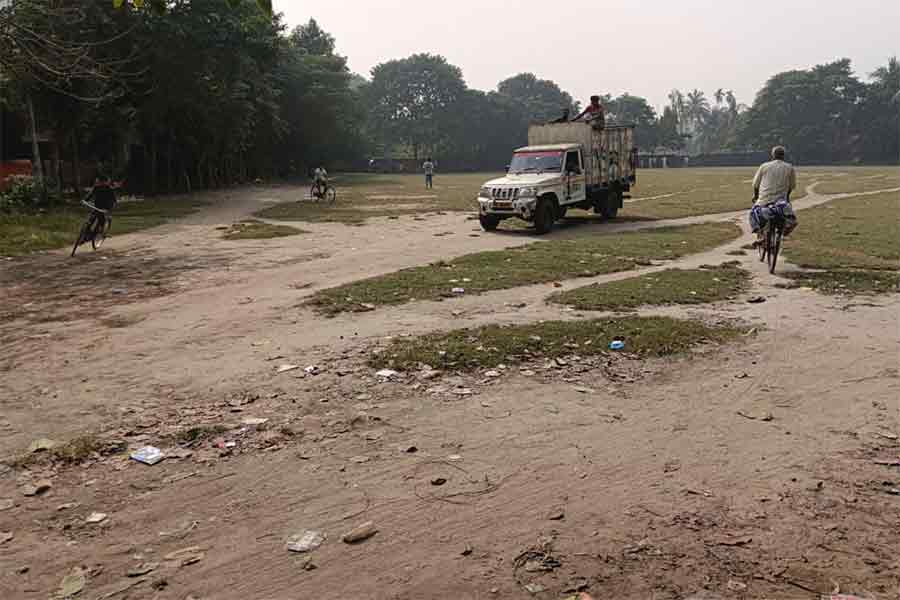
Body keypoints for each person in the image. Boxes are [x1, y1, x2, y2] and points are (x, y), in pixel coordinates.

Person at [750, 146, 798, 245]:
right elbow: (791, 186)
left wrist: (756, 196)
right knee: (787, 214)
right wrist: (787, 197)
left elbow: (755, 184)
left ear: (772, 155)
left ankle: (760, 234)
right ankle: (786, 226)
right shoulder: (789, 167)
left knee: (752, 214)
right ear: (783, 156)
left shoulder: (764, 166)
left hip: (764, 200)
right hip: (781, 202)